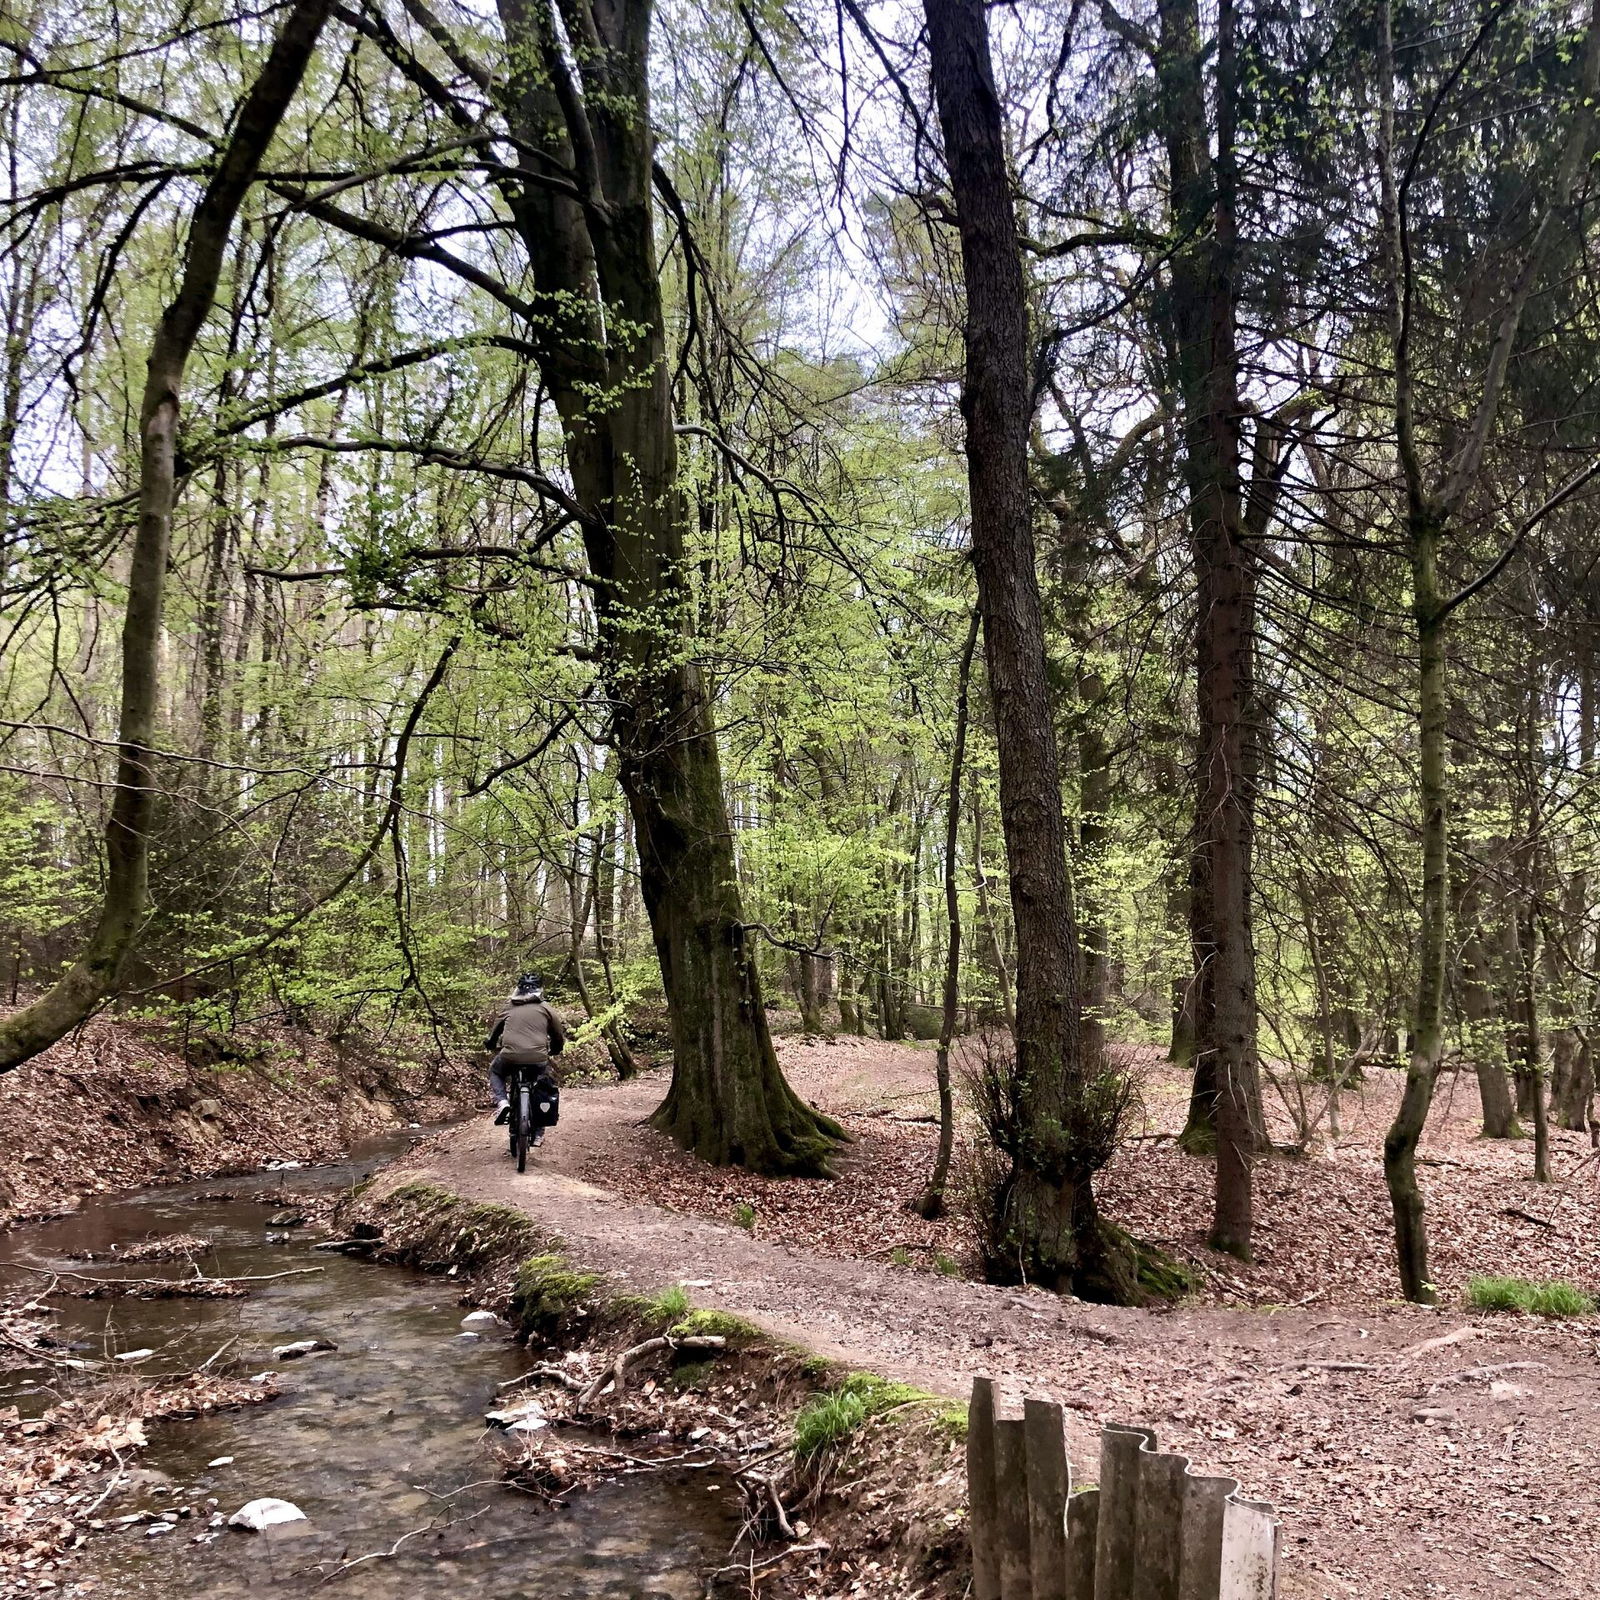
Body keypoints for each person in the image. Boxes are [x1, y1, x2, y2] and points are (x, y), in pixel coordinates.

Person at [485, 973, 565, 1145]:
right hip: (538, 1058)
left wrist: (491, 1044)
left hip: (510, 1057)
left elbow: (494, 1033)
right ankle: (538, 1133)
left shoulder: (509, 1007)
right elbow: (558, 1035)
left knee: (495, 1071)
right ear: (539, 990)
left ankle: (502, 1102)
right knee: (541, 1086)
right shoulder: (546, 1008)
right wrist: (555, 1049)